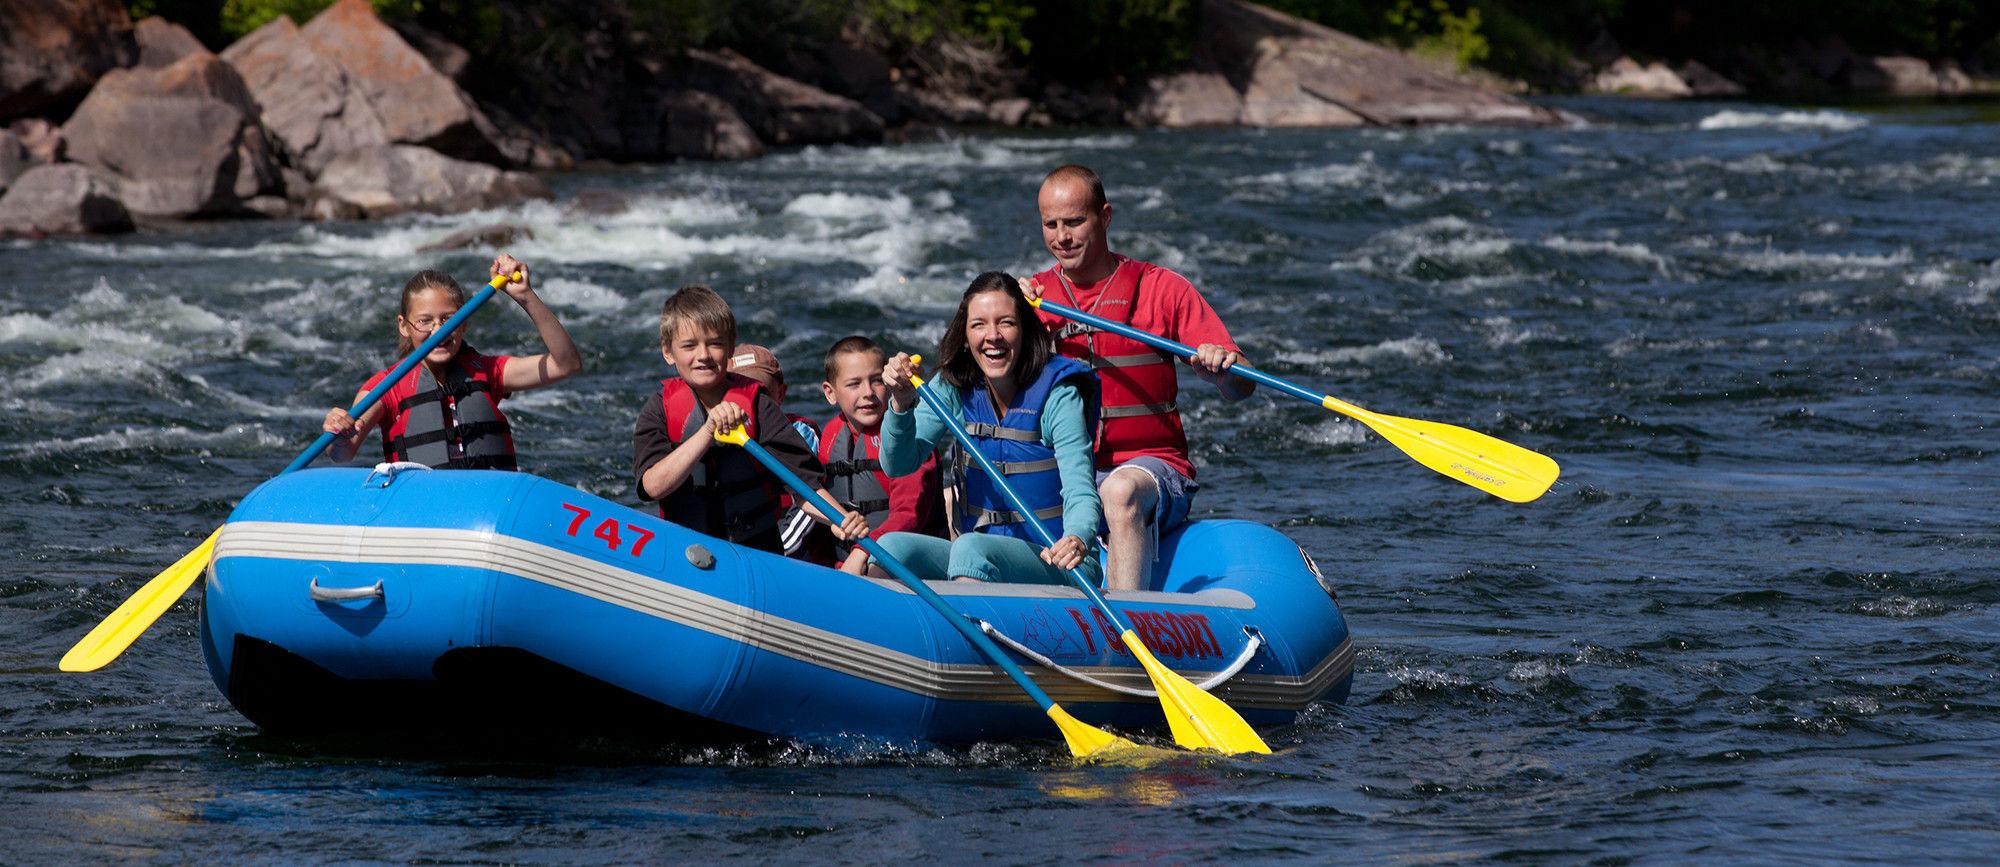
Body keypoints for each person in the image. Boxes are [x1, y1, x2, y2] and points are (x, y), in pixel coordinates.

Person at [1021, 164, 1255, 591]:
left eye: (1075, 222)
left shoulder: (1162, 288)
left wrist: (1222, 370)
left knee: (1119, 490)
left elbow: (1244, 387)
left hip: (1151, 469)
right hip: (1069, 470)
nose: (1062, 237)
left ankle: (1126, 630)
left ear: (1105, 217)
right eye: (1050, 224)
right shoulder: (1031, 299)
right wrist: (1010, 317)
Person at [877, 272, 1100, 585]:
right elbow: (898, 464)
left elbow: (1080, 488)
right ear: (965, 336)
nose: (992, 335)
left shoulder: (1059, 394)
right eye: (978, 324)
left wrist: (1077, 537)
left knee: (969, 547)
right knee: (890, 549)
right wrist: (900, 403)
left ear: (1024, 330)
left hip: (1059, 562)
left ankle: (966, 630)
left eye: (1006, 322)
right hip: (982, 559)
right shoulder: (951, 385)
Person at [632, 285, 866, 554]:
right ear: (668, 352)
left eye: (715, 343)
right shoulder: (658, 407)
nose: (704, 355)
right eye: (689, 346)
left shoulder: (759, 404)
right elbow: (652, 487)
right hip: (686, 549)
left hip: (755, 550)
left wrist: (839, 520)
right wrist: (708, 431)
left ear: (731, 348)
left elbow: (804, 487)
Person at [322, 253, 582, 469]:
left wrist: (525, 296)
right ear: (404, 326)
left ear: (464, 322)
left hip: (486, 508)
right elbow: (341, 454)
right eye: (425, 321)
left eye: (449, 319)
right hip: (430, 513)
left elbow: (566, 364)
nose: (439, 332)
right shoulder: (386, 387)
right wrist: (341, 433)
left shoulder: (489, 371)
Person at [817, 335, 945, 575]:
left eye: (876, 381)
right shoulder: (830, 435)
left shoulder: (908, 438)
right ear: (830, 393)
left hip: (906, 565)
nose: (868, 393)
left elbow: (908, 515)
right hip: (846, 566)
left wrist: (861, 553)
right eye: (854, 384)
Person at [726, 343, 827, 559]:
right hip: (738, 543)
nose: (751, 402)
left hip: (786, 552)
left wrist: (777, 549)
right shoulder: (715, 436)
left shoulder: (800, 433)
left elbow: (807, 501)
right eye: (739, 393)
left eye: (761, 393)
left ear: (780, 394)